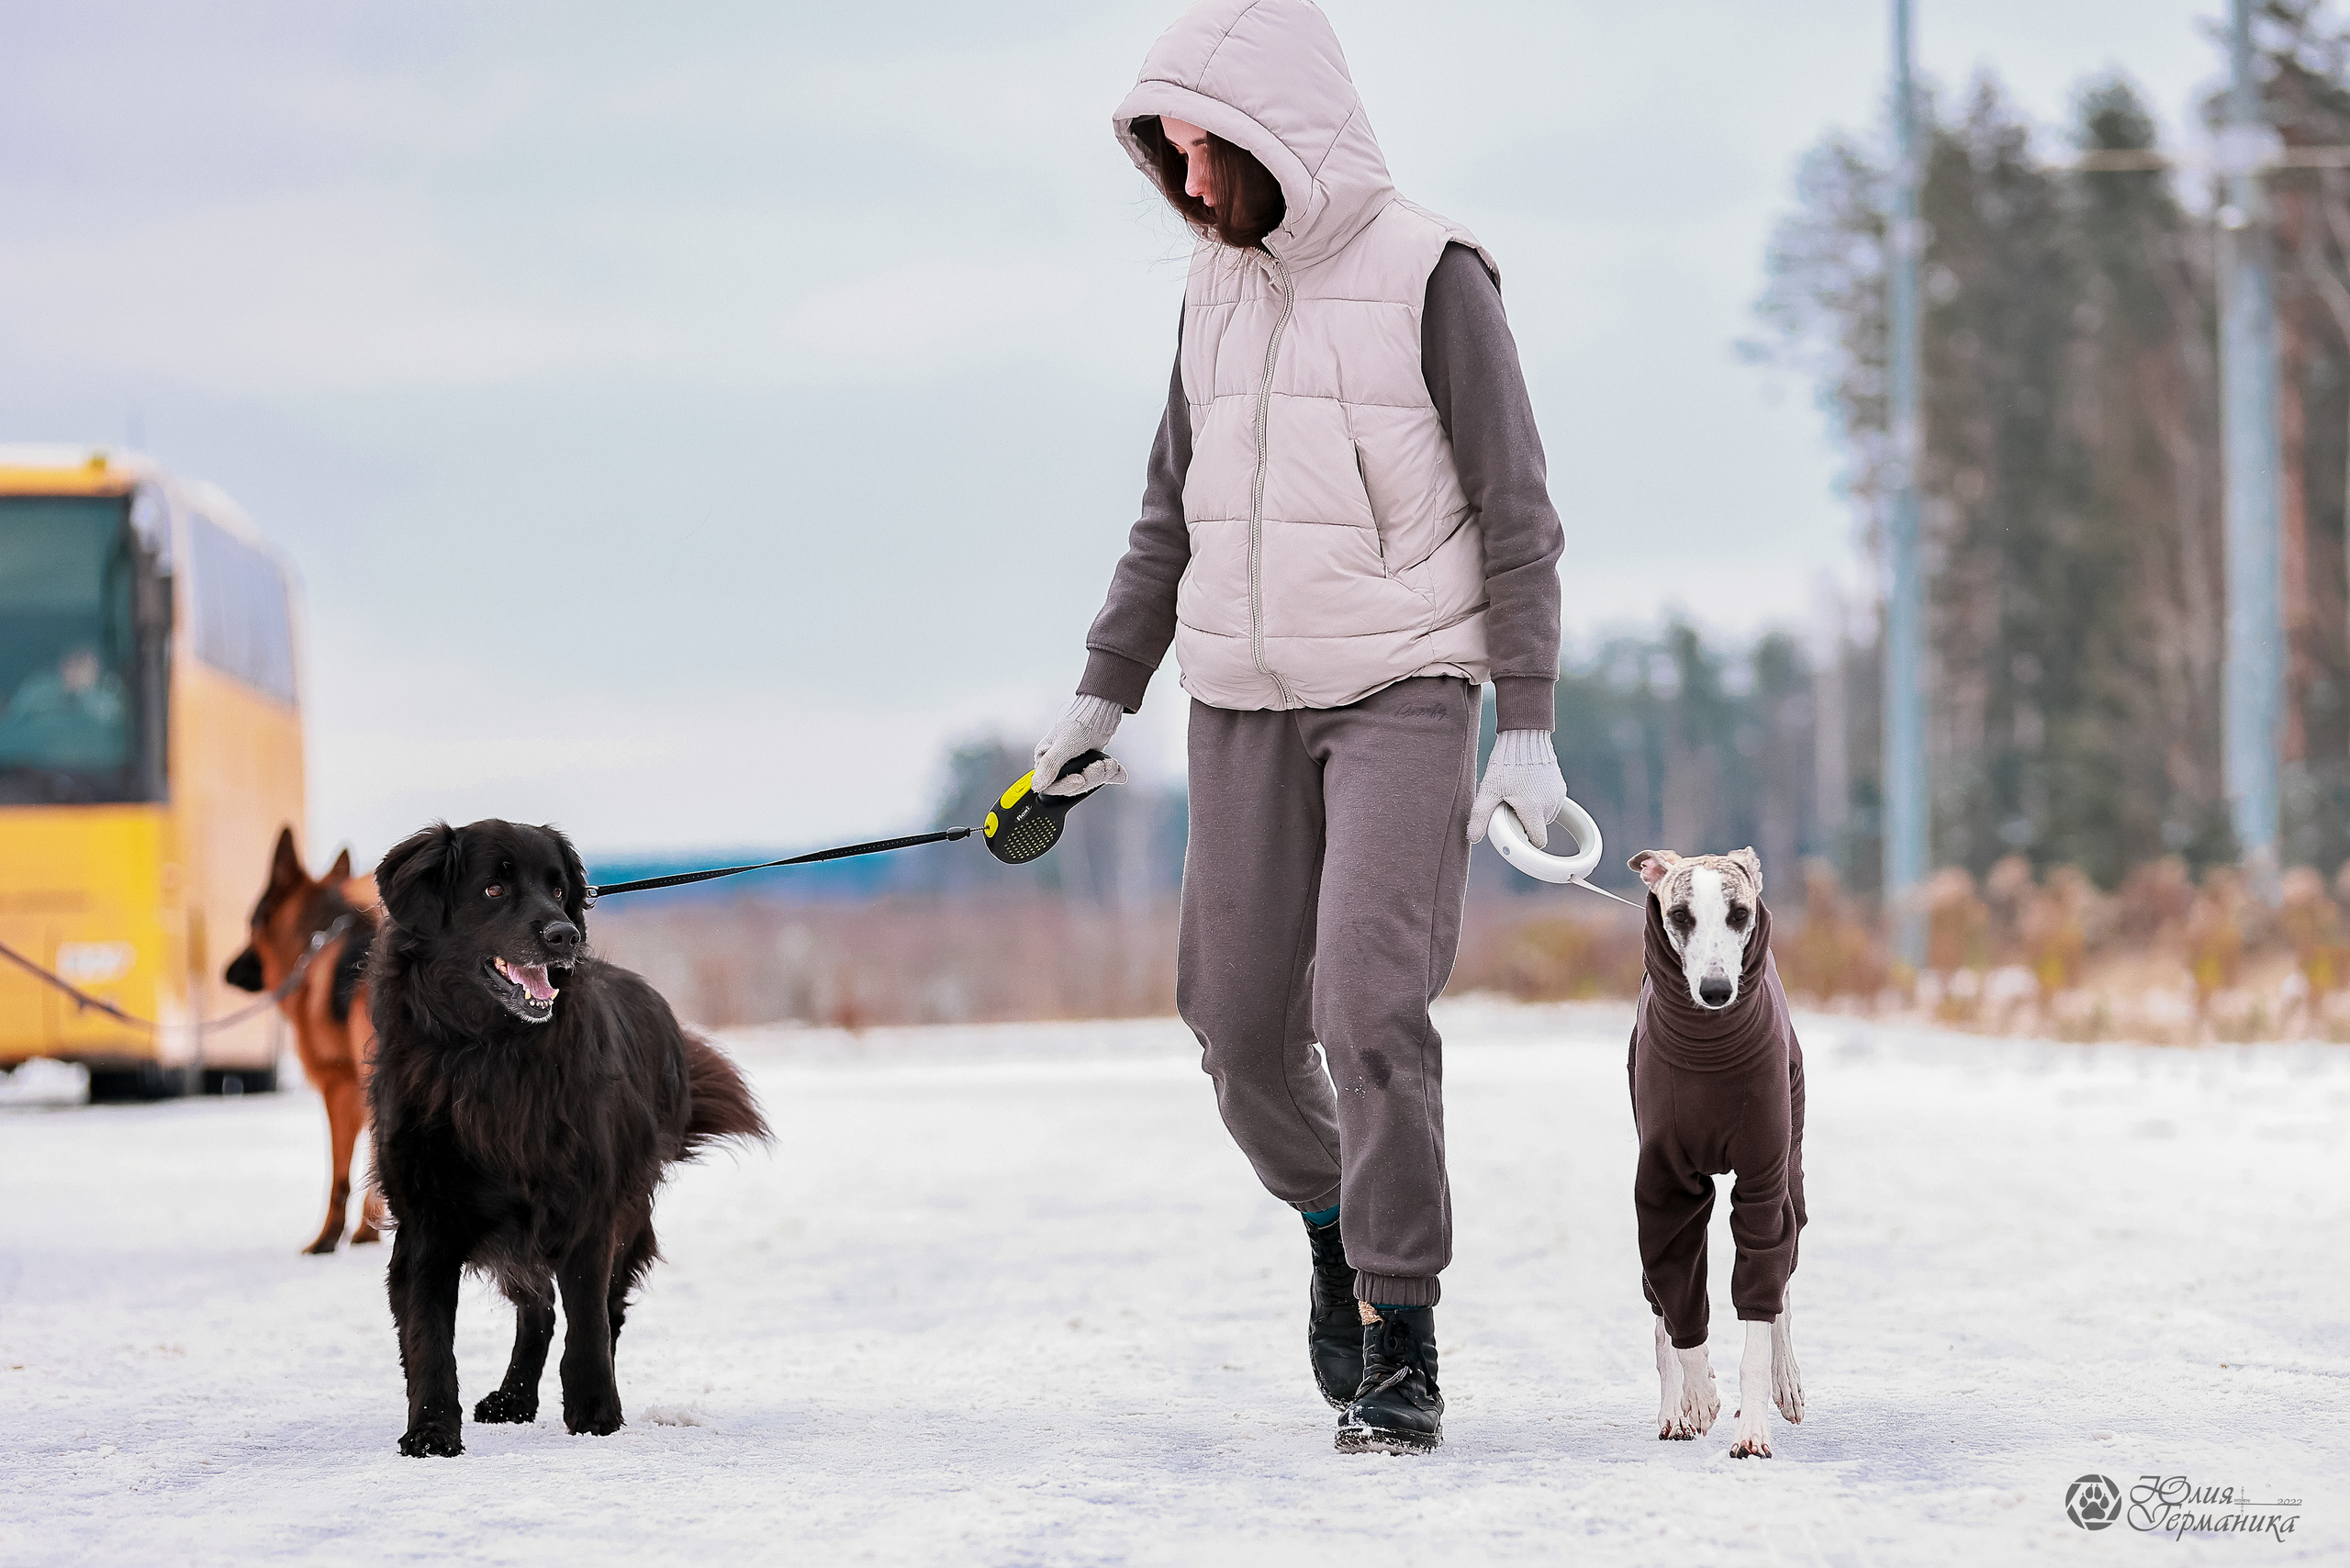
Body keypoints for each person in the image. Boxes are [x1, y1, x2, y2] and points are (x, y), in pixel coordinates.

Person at [1032, 0, 1567, 1454]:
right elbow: (1169, 517)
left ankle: (1402, 1328)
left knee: (1368, 1004)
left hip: (1404, 683)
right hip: (1243, 697)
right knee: (1237, 1030)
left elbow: (1520, 519)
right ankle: (1338, 1221)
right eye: (1175, 163)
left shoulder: (1432, 274)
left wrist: (1525, 730)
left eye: (1212, 158)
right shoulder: (1209, 290)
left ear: (1284, 134)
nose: (1194, 192)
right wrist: (1098, 701)